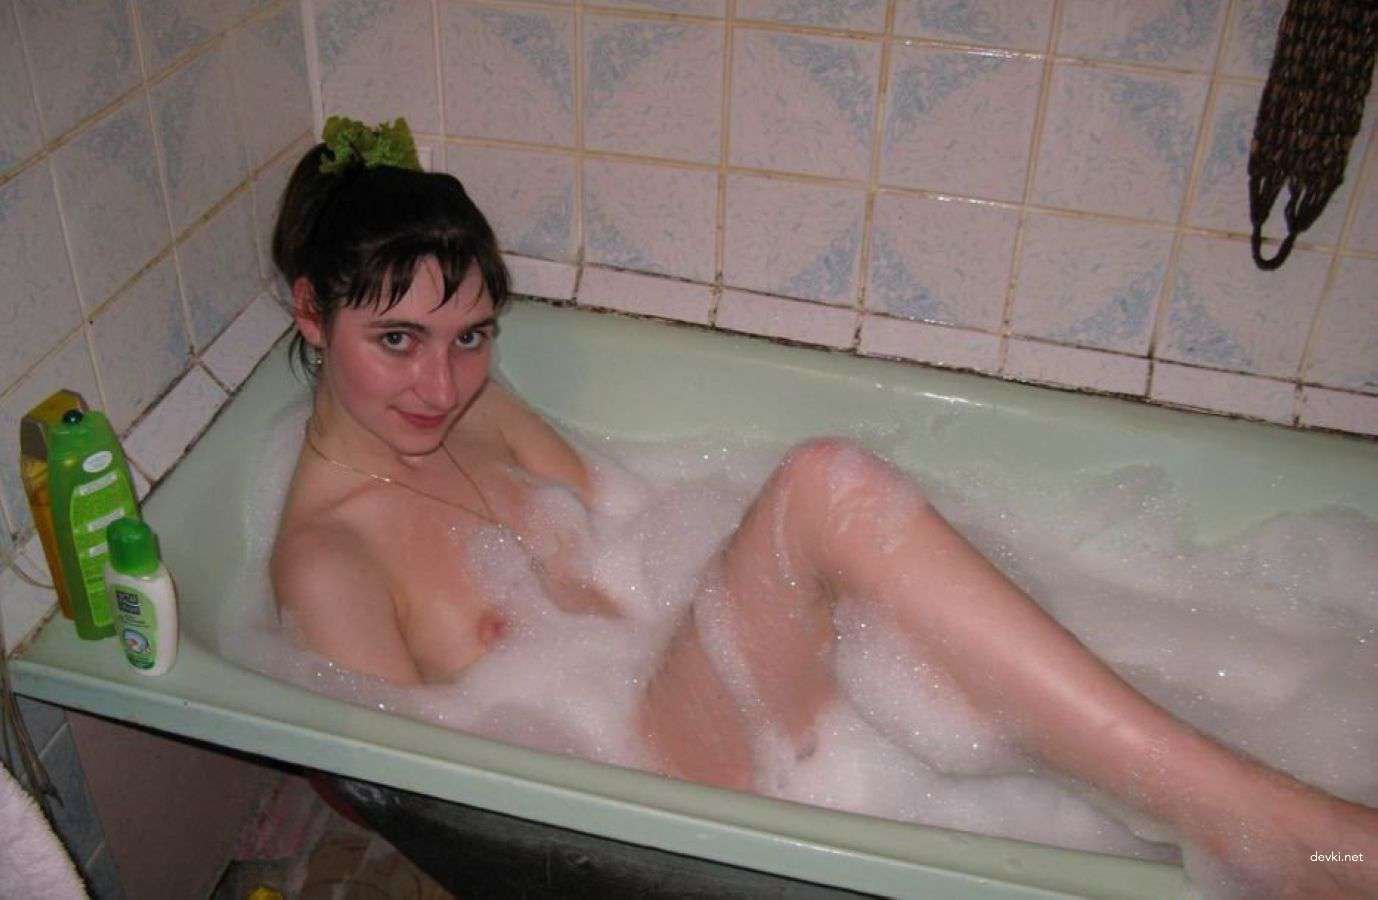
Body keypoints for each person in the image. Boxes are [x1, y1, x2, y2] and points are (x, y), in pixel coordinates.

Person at [269, 120, 1376, 898]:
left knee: (908, 593)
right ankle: (1269, 832)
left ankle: (1228, 803)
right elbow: (437, 794)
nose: (441, 383)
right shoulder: (331, 561)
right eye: (396, 341)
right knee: (826, 494)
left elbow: (633, 513)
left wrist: (763, 593)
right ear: (312, 315)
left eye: (470, 336)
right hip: (642, 782)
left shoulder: (475, 409)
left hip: (687, 686)